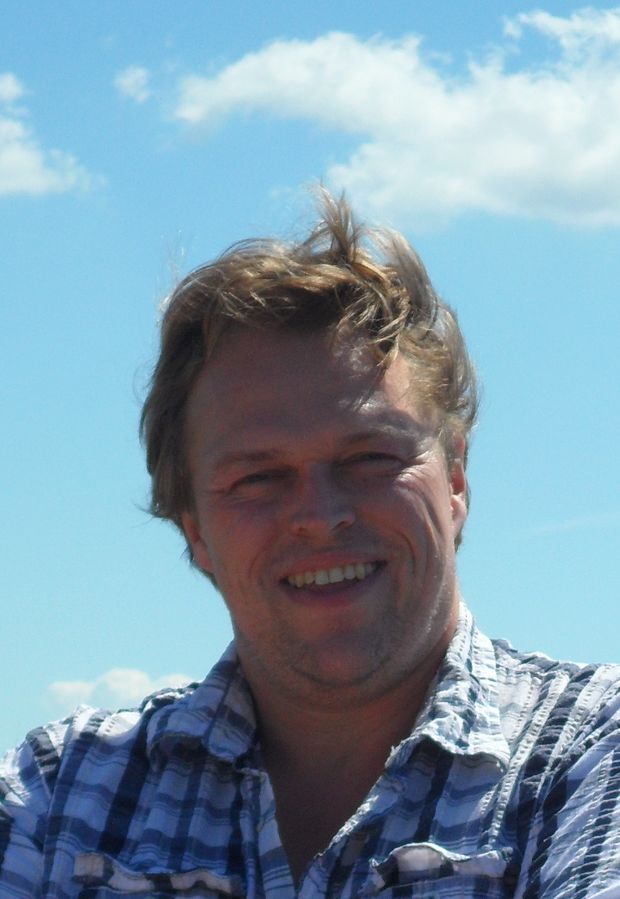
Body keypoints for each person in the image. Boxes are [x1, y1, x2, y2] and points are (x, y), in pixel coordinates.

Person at [1, 193, 619, 898]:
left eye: (370, 459)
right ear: (195, 528)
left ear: (455, 480)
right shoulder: (56, 793)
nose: (320, 517)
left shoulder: (589, 754)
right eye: (259, 477)